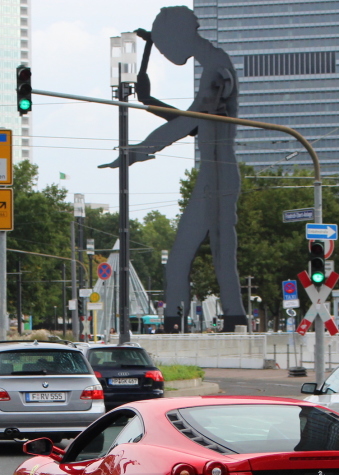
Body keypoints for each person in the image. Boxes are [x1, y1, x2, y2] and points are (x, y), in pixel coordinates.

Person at [113, 9, 246, 332]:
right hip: (212, 178)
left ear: (179, 37)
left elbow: (190, 120)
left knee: (214, 258)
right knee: (198, 259)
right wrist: (147, 100)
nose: (163, 53)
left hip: (219, 178)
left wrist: (137, 151)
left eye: (163, 46)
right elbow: (195, 123)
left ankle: (215, 320)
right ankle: (215, 320)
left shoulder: (217, 69)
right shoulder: (215, 64)